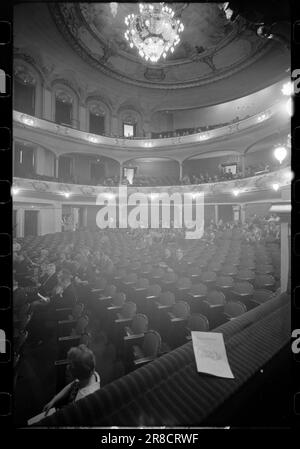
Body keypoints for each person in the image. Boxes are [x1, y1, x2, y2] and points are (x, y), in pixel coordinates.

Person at [43, 345, 100, 414]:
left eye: (70, 365)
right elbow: (71, 385)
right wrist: (53, 401)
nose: (67, 367)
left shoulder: (82, 399)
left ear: (78, 373)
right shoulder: (92, 374)